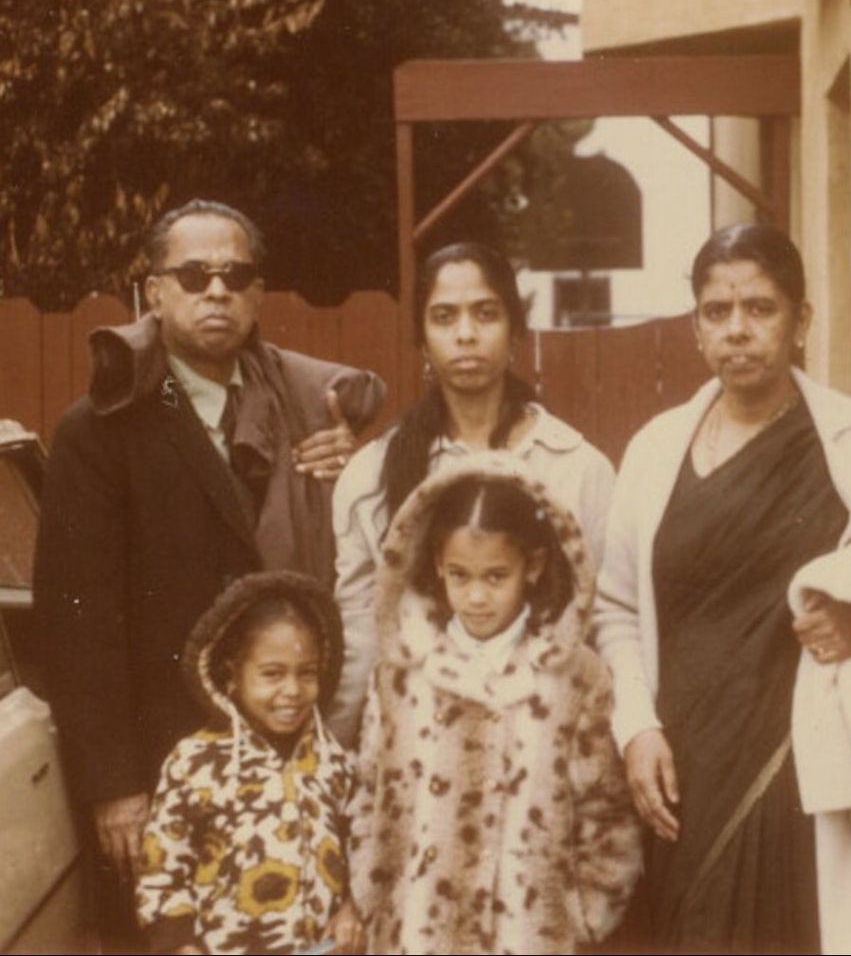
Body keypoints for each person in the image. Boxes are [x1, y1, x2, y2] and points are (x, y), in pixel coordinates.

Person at [592, 223, 851, 953]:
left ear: (800, 321)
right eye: (717, 312)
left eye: (760, 309)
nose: (738, 331)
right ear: (696, 326)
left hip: (814, 771)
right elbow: (618, 607)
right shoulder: (655, 450)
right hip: (686, 767)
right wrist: (636, 729)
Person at [33, 199, 383, 946]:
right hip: (163, 777)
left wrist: (349, 477)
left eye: (236, 275)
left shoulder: (302, 414)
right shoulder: (101, 428)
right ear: (153, 293)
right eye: (193, 275)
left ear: (258, 294)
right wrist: (117, 787)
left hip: (290, 768)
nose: (216, 291)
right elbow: (78, 625)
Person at [347, 454, 642, 955]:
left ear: (534, 566)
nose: (476, 597)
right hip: (414, 934)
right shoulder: (401, 672)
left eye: (495, 577)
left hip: (527, 935)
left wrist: (584, 915)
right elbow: (370, 793)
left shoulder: (574, 676)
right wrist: (369, 893)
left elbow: (605, 810)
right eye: (460, 576)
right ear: (437, 563)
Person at [329, 241, 615, 746]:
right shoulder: (371, 476)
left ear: (514, 331)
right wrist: (337, 751)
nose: (466, 334)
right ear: (421, 339)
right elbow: (361, 636)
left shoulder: (576, 468)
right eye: (444, 317)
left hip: (545, 752)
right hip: (420, 757)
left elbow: (603, 623)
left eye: (485, 314)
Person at [135, 570, 364, 955]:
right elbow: (161, 872)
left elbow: (360, 852)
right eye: (272, 674)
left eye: (306, 673)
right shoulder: (194, 763)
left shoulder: (333, 761)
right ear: (231, 676)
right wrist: (178, 944)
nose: (291, 691)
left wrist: (350, 907)